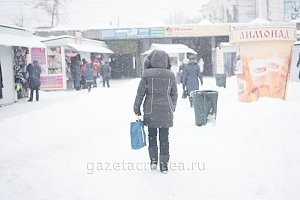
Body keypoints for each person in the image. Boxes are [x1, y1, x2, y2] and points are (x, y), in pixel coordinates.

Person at [133, 50, 178, 173]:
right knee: (164, 137)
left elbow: (140, 93)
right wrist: (172, 107)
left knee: (152, 135)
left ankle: (153, 161)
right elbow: (174, 94)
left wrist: (136, 107)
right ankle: (164, 165)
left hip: (150, 109)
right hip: (166, 111)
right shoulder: (170, 75)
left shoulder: (146, 75)